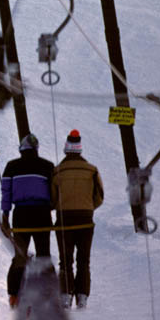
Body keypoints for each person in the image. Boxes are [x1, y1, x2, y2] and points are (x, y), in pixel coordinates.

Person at [1, 133, 56, 308]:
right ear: (36, 149)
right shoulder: (47, 166)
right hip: (41, 214)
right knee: (43, 254)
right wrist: (51, 207)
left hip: (21, 215)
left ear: (21, 149)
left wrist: (5, 215)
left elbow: (6, 192)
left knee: (20, 256)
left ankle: (14, 295)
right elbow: (55, 191)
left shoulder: (11, 166)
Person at [52, 130, 104, 309]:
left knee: (65, 259)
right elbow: (99, 196)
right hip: (85, 220)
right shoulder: (92, 170)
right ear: (80, 151)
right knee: (84, 259)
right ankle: (82, 297)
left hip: (64, 220)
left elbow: (52, 199)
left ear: (66, 150)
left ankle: (66, 295)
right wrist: (88, 207)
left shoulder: (57, 171)